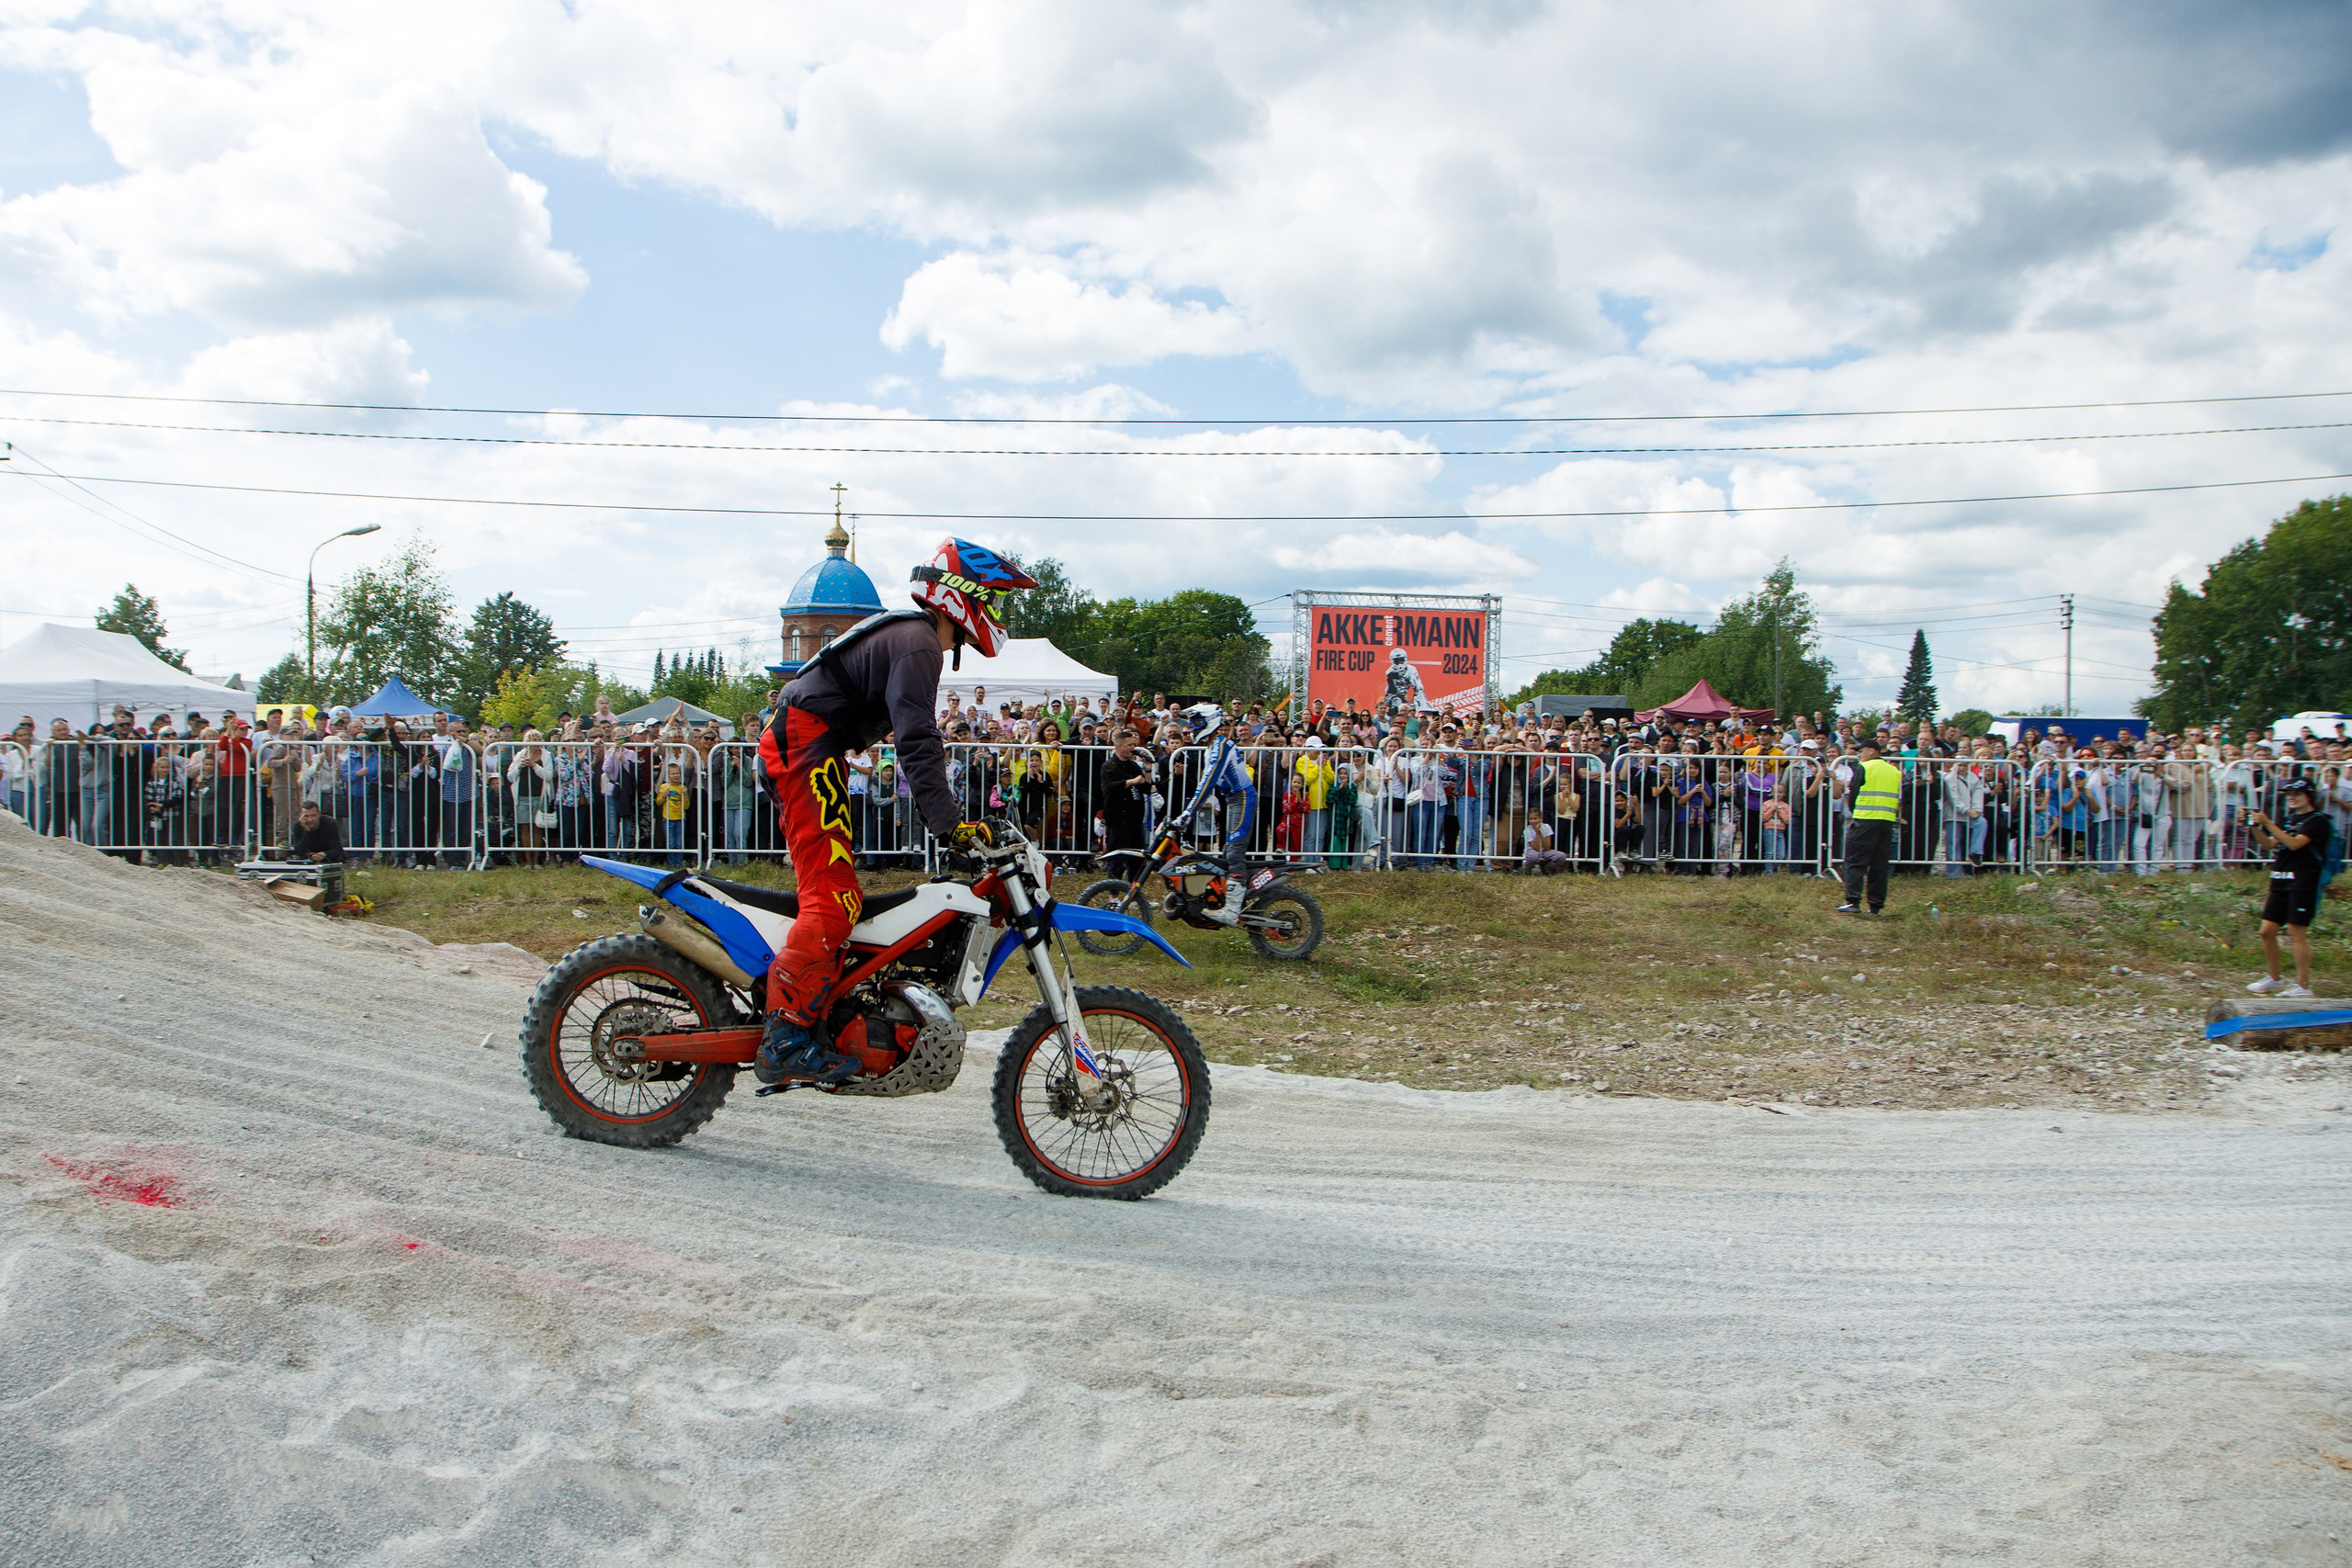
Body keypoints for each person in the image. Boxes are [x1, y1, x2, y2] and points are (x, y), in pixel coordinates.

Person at [752, 538, 1036, 1086]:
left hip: (812, 747)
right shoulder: (918, 643)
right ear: (964, 595)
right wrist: (949, 825)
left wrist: (950, 821)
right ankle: (784, 1036)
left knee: (842, 894)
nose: (996, 613)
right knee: (832, 900)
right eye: (993, 600)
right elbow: (917, 740)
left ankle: (823, 1011)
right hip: (803, 746)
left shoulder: (915, 637)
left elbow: (913, 737)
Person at [2245, 778, 2332, 998]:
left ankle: (2303, 985)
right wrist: (2253, 825)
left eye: (2297, 794)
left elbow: (2294, 844)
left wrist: (2267, 822)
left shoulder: (2318, 821)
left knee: (2296, 932)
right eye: (2289, 795)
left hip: (2303, 881)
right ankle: (2274, 978)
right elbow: (2268, 844)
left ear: (2309, 796)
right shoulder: (2290, 818)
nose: (2292, 798)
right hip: (2280, 878)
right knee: (2266, 931)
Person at [1836, 734, 1903, 915]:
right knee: (1879, 865)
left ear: (1872, 751)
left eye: (1861, 751)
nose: (1858, 754)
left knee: (1855, 861)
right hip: (1887, 822)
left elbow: (1854, 793)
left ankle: (1853, 901)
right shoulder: (1894, 771)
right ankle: (1875, 905)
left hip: (1865, 820)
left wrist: (1856, 812)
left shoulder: (1864, 767)